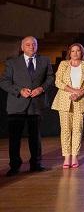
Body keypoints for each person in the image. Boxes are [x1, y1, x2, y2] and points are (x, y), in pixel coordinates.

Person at [1, 36, 54, 176]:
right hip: (16, 105)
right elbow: (4, 82)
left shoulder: (45, 60)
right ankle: (14, 166)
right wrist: (19, 91)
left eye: (34, 44)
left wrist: (41, 89)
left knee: (35, 137)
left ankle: (36, 164)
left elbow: (50, 78)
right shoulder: (12, 63)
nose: (31, 47)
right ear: (22, 47)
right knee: (15, 138)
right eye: (28, 44)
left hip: (36, 105)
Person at [51, 43, 84, 169]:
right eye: (73, 51)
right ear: (70, 52)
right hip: (65, 100)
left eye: (78, 51)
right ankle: (67, 156)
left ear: (82, 52)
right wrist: (73, 91)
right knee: (65, 130)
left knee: (78, 129)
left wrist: (80, 93)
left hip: (81, 100)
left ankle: (75, 156)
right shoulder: (64, 64)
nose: (75, 53)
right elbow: (58, 81)